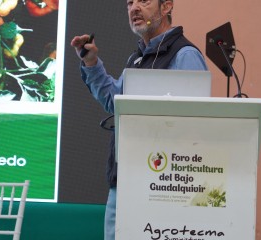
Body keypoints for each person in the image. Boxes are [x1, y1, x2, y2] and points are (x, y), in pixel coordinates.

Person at [71, 0, 208, 239]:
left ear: (166, 7)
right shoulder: (137, 58)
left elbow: (195, 127)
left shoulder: (185, 56)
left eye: (143, 1)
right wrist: (91, 62)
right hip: (124, 179)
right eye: (129, 3)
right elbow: (115, 103)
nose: (134, 8)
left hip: (163, 184)